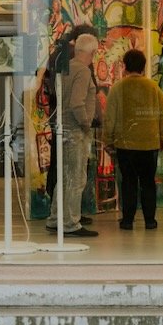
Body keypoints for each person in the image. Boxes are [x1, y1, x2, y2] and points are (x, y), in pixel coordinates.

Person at [104, 48, 163, 230]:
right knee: (148, 182)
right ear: (143, 66)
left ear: (125, 66)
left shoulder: (118, 88)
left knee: (128, 182)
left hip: (125, 143)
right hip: (150, 143)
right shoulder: (153, 88)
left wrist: (108, 139)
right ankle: (150, 220)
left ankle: (127, 220)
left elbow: (110, 116)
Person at [45, 32, 100, 238]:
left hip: (63, 128)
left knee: (63, 177)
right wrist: (86, 124)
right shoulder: (83, 71)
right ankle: (70, 222)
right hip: (75, 130)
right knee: (76, 178)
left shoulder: (66, 68)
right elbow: (77, 103)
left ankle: (55, 218)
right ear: (92, 52)